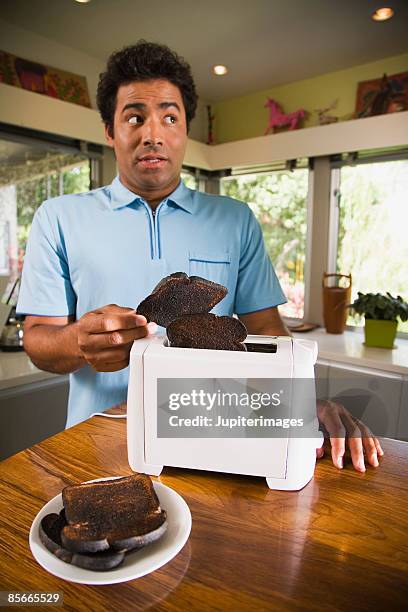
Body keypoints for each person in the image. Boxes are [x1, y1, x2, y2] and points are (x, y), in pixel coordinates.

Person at [17, 41, 383, 472]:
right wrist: (80, 340)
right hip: (94, 446)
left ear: (185, 129)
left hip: (216, 442)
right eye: (134, 117)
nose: (153, 133)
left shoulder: (234, 220)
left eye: (169, 117)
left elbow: (265, 330)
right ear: (109, 130)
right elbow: (38, 339)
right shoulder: (58, 217)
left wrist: (299, 402)